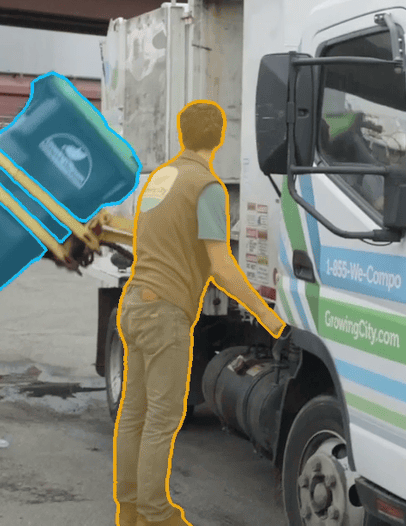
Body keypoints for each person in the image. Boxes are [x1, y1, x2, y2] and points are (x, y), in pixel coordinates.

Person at [113, 101, 287, 526]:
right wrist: (268, 317)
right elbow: (220, 266)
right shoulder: (207, 187)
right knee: (162, 418)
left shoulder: (162, 177)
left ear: (182, 134)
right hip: (164, 314)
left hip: (134, 303)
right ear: (220, 137)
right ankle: (156, 514)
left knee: (133, 413)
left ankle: (130, 509)